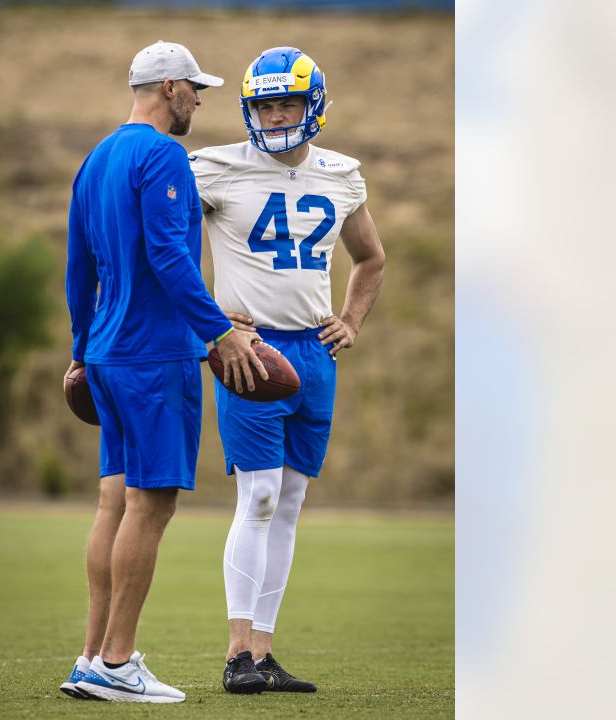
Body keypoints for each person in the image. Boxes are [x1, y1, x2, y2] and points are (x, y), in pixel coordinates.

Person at [59, 40, 267, 704]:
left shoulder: (95, 159)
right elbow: (169, 257)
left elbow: (78, 270)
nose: (201, 101)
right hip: (156, 357)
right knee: (152, 506)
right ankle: (119, 663)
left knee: (113, 502)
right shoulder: (162, 154)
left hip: (109, 354)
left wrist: (79, 349)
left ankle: (91, 657)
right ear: (171, 87)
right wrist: (218, 331)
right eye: (196, 90)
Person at [189, 46, 387, 695]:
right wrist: (212, 325)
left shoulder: (342, 174)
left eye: (287, 102)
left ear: (314, 104)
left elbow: (370, 258)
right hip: (250, 348)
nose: (275, 115)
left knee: (292, 502)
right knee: (262, 495)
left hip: (314, 351)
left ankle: (264, 652)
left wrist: (351, 319)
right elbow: (164, 241)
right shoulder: (215, 168)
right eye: (264, 104)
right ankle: (236, 652)